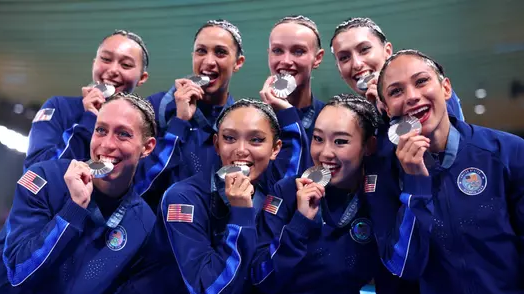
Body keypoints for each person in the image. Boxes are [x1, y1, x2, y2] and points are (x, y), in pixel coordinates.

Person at [366, 49, 524, 294]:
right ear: (386, 109)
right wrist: (416, 185)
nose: (412, 97)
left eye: (421, 81)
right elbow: (403, 265)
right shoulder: (385, 174)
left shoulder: (508, 152)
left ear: (446, 88)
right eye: (396, 91)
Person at [112, 98, 306, 294]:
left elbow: (294, 167)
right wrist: (240, 216)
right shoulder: (182, 198)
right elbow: (211, 293)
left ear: (275, 149)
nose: (240, 149)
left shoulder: (269, 193)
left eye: (256, 140)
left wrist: (289, 113)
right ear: (216, 144)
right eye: (229, 138)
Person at [251, 93, 419, 294]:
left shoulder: (376, 199)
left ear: (369, 146)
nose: (325, 153)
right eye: (318, 139)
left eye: (340, 141)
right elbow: (262, 279)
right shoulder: (288, 192)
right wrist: (299, 223)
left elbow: (402, 269)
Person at [0, 93, 158, 294]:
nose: (106, 144)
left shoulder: (144, 225)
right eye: (101, 130)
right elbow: (18, 272)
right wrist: (73, 210)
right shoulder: (44, 178)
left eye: (123, 134)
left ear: (147, 147)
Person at [135, 19, 246, 209]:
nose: (209, 61)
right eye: (201, 51)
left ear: (238, 62)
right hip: (158, 231)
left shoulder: (240, 122)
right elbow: (139, 186)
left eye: (220, 52)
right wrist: (179, 123)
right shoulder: (158, 107)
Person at [25, 30, 150, 169]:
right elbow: (35, 170)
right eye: (106, 59)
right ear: (94, 63)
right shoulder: (60, 107)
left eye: (126, 65)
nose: (114, 69)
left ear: (142, 78)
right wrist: (88, 120)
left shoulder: (143, 125)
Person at [329, 17, 464, 122]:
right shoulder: (357, 119)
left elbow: (449, 144)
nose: (356, 64)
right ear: (339, 70)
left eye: (364, 50)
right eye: (344, 58)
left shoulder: (428, 90)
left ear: (387, 51)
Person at [259, 15, 326, 172]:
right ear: (269, 54)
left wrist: (288, 116)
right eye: (277, 51)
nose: (286, 60)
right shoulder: (252, 121)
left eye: (298, 51)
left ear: (317, 58)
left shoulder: (332, 119)